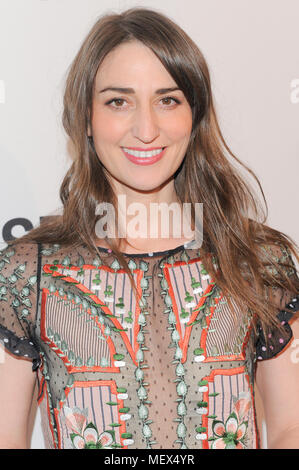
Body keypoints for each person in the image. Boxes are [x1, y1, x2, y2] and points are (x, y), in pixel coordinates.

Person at [0, 7, 299, 450]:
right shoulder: (27, 273)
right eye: (118, 101)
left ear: (193, 115)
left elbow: (292, 426)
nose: (146, 129)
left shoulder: (257, 259)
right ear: (86, 117)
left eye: (168, 99)